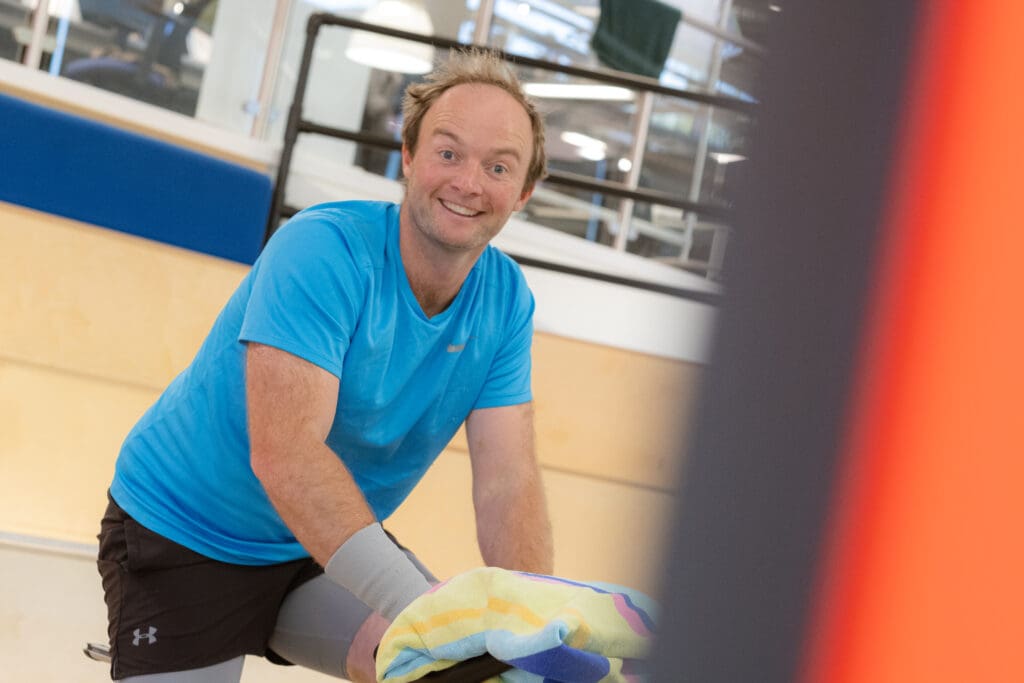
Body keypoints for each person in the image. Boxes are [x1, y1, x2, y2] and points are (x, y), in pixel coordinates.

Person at [97, 48, 554, 682]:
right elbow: (286, 454)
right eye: (448, 153)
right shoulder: (325, 248)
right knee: (444, 639)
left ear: (524, 191)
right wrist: (429, 613)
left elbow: (507, 485)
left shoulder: (505, 303)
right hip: (184, 536)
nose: (469, 182)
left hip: (317, 545)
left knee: (469, 671)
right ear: (409, 156)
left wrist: (538, 626)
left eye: (497, 166)